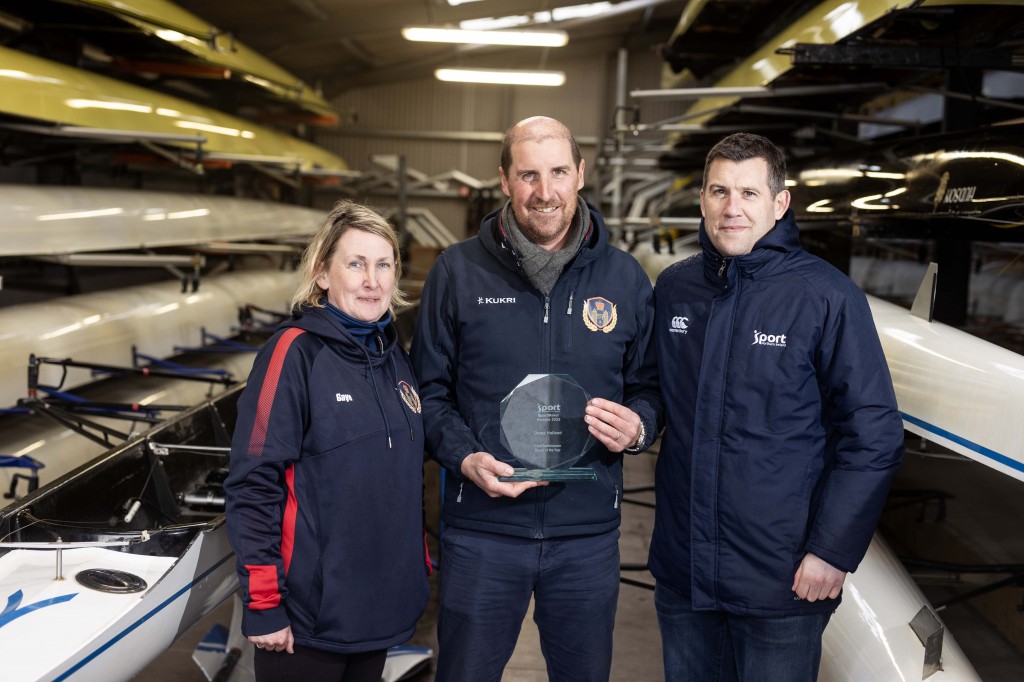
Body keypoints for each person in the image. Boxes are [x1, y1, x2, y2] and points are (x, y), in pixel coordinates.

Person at [410, 115, 662, 682]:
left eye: (556, 173)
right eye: (527, 175)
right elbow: (425, 393)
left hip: (586, 536)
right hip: (482, 534)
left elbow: (650, 388)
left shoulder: (624, 279)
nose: (543, 193)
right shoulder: (457, 273)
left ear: (579, 174)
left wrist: (640, 428)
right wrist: (463, 457)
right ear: (504, 180)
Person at [649, 132, 905, 681]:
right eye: (719, 191)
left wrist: (832, 551)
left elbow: (874, 434)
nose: (732, 207)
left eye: (748, 192)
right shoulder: (675, 289)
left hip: (782, 579)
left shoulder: (826, 297)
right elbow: (652, 390)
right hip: (685, 573)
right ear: (702, 199)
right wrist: (638, 421)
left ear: (779, 203)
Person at [225, 201, 430, 682]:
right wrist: (264, 603)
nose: (372, 281)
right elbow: (254, 484)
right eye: (355, 264)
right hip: (306, 621)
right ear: (322, 274)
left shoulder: (394, 359)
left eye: (384, 266)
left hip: (376, 614)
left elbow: (403, 478)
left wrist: (413, 567)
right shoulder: (293, 353)